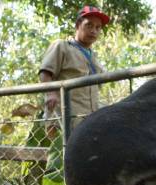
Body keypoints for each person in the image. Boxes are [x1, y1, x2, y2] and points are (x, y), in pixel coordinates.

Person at [39, 6, 109, 136]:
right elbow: (45, 72)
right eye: (89, 25)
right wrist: (50, 94)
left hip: (91, 118)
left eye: (98, 27)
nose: (94, 31)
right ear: (78, 25)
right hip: (67, 117)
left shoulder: (93, 57)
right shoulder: (62, 46)